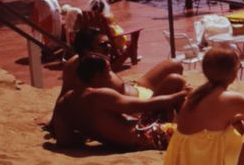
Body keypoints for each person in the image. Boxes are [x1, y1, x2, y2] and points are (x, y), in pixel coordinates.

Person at [48, 54, 185, 151]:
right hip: (144, 136)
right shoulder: (98, 95)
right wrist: (180, 95)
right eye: (107, 73)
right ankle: (190, 123)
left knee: (174, 80)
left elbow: (64, 140)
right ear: (96, 76)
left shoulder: (64, 103)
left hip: (121, 141)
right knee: (177, 83)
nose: (111, 78)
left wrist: (91, 135)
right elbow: (145, 105)